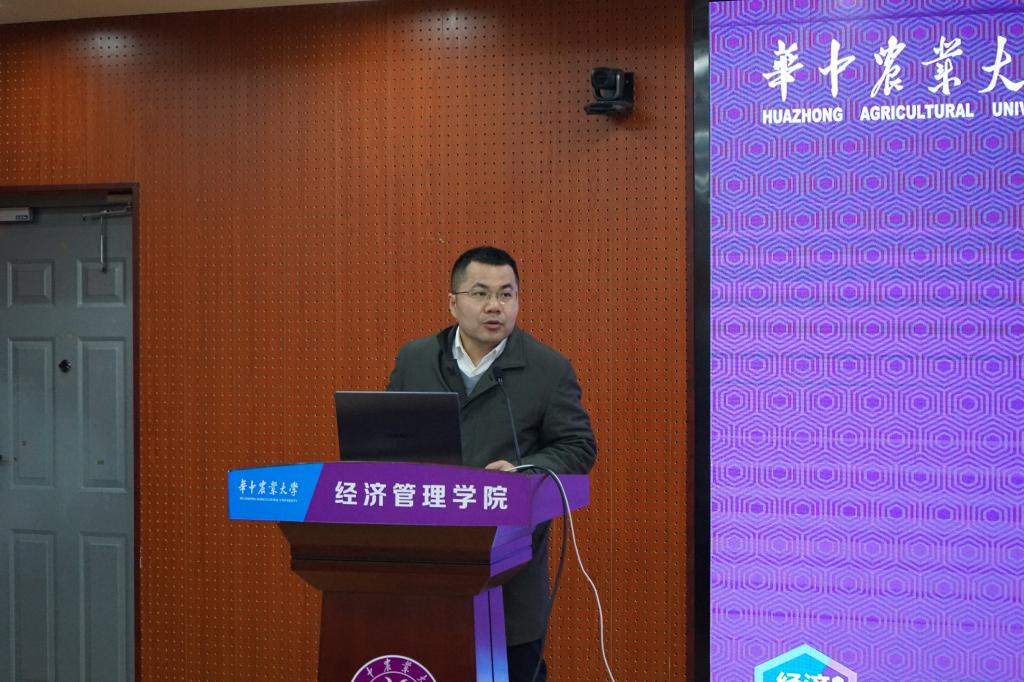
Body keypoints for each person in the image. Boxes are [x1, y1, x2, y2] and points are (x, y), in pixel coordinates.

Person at [386, 245, 597, 682]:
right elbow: (388, 439)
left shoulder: (547, 369)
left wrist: (523, 473)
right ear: (453, 302)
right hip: (426, 564)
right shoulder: (416, 360)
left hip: (508, 574)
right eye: (480, 293)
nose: (494, 306)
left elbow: (577, 447)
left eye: (506, 294)